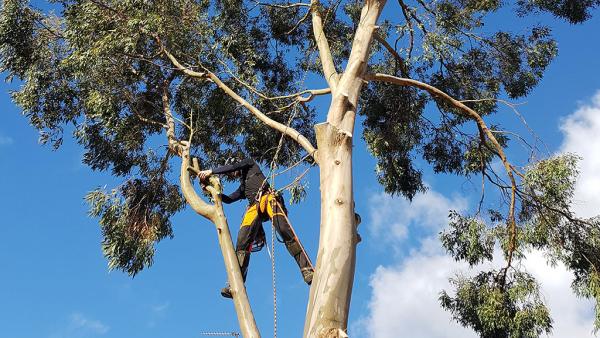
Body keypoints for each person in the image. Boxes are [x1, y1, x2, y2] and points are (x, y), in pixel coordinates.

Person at [198, 157, 314, 298]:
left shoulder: (250, 163)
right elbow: (229, 199)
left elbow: (235, 166)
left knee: (284, 230)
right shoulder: (243, 186)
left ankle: (307, 268)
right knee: (242, 241)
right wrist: (212, 192)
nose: (233, 173)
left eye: (233, 170)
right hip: (254, 207)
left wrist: (211, 171)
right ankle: (236, 283)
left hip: (267, 198)